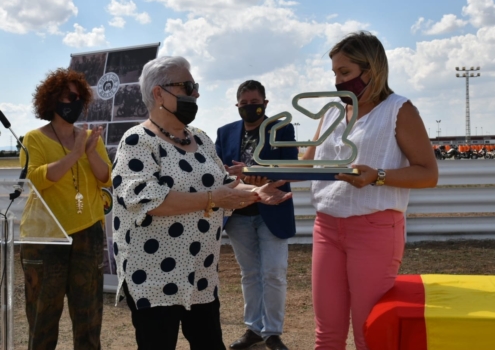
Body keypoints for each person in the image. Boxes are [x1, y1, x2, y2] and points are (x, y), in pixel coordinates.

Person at [111, 57, 292, 350]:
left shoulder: (201, 139)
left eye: (195, 86)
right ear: (159, 93)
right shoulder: (137, 141)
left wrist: (256, 192)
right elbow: (145, 198)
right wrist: (211, 199)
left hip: (200, 274)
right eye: (188, 86)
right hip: (154, 276)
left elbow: (224, 185)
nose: (196, 93)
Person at [303, 32, 438, 350]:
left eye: (345, 72)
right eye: (335, 73)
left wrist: (377, 176)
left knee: (370, 333)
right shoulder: (333, 113)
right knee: (327, 334)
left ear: (372, 69)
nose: (337, 80)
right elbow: (307, 163)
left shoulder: (399, 110)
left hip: (375, 229)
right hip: (327, 227)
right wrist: (265, 175)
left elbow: (428, 174)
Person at [20, 68, 112, 350]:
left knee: (88, 317)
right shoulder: (34, 138)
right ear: (51, 100)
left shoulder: (88, 138)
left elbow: (105, 177)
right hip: (46, 238)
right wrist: (75, 154)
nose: (73, 102)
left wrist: (91, 152)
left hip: (89, 234)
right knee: (43, 317)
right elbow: (38, 178)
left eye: (78, 97)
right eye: (67, 96)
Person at [215, 80, 298, 350]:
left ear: (266, 103)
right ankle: (253, 329)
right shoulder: (225, 132)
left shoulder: (282, 129)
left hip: (273, 210)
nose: (251, 108)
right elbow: (217, 172)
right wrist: (237, 175)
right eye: (245, 104)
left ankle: (272, 332)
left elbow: (291, 166)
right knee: (250, 273)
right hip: (239, 213)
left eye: (255, 103)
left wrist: (253, 170)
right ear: (237, 106)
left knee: (273, 272)